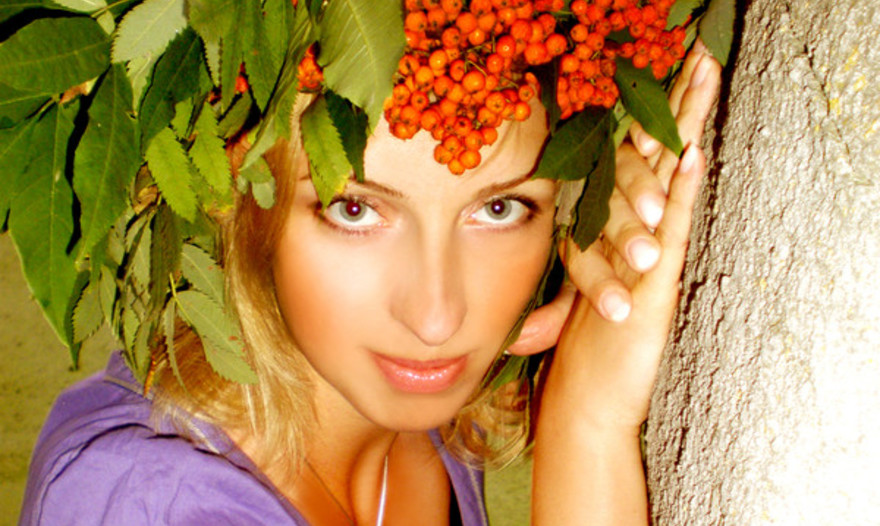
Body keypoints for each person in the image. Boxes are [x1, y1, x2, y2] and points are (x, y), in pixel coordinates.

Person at [18, 10, 722, 526]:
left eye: (500, 209)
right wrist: (585, 435)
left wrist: (588, 396)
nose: (435, 318)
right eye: (354, 211)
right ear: (239, 195)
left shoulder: (419, 429)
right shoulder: (153, 505)